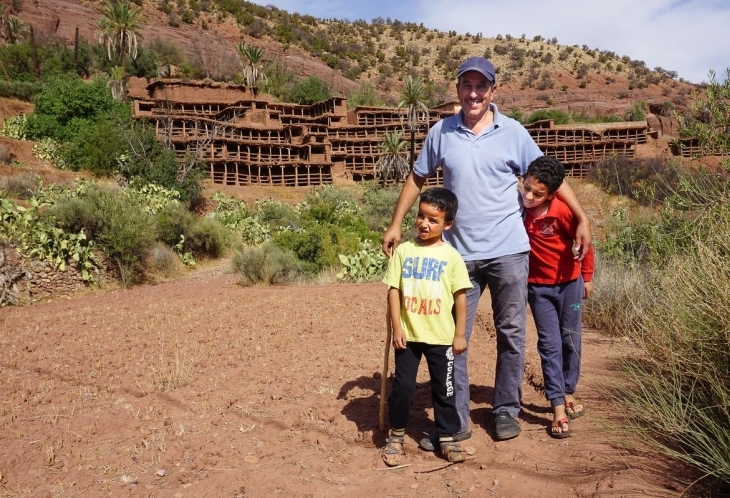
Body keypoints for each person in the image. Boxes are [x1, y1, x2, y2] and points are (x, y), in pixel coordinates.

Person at [381, 56, 592, 444]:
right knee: (450, 339)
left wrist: (581, 217)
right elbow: (417, 177)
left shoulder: (513, 132)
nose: (474, 93)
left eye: (482, 86)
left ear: (493, 91)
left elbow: (549, 173)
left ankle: (506, 410)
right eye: (467, 85)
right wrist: (396, 223)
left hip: (509, 251)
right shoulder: (441, 132)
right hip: (457, 255)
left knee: (511, 332)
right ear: (458, 89)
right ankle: (456, 421)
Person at [380, 187, 473, 466]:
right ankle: (395, 435)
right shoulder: (404, 251)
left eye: (433, 219)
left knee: (444, 389)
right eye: (421, 216)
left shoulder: (452, 257)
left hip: (441, 336)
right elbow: (393, 291)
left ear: (447, 224)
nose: (424, 223)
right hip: (408, 335)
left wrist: (458, 335)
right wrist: (397, 327)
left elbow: (461, 298)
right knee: (403, 388)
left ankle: (446, 437)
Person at [521, 156, 594, 438]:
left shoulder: (562, 211)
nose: (528, 196)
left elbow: (585, 242)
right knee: (549, 343)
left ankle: (567, 390)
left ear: (552, 193)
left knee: (570, 338)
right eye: (526, 188)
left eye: (537, 193)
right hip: (538, 289)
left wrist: (586, 277)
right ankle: (557, 404)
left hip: (570, 287)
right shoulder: (518, 211)